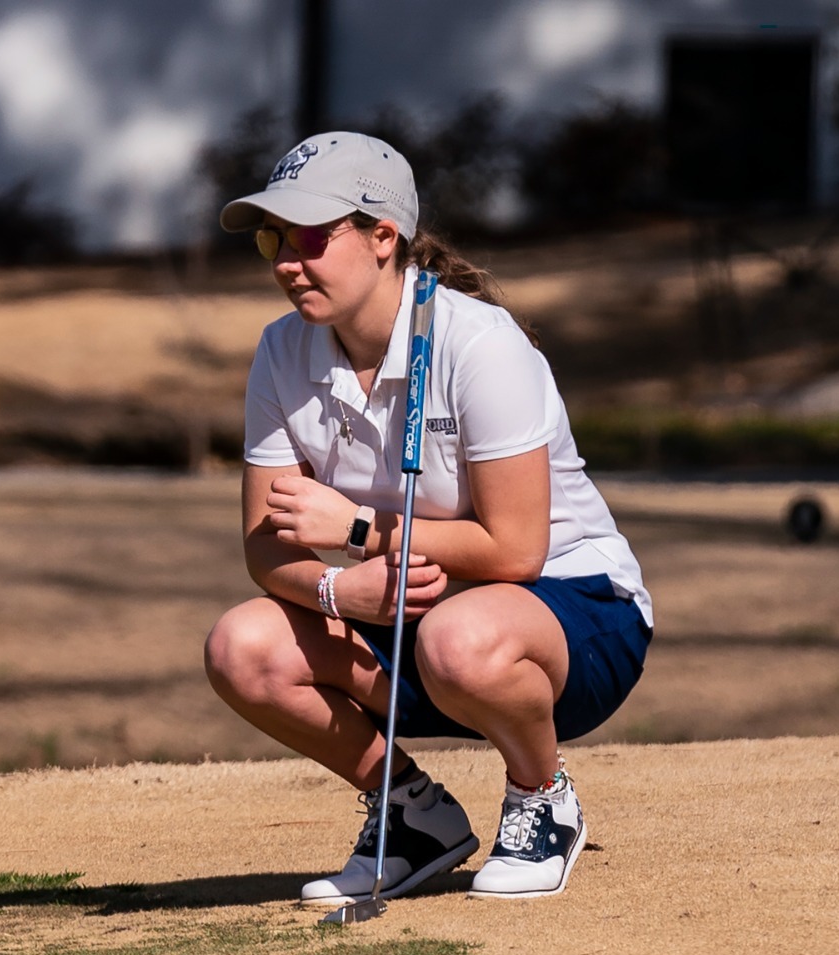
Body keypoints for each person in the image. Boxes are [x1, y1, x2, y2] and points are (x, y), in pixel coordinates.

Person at [202, 132, 651, 903]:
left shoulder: (479, 344)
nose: (285, 262)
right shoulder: (280, 352)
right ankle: (412, 815)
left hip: (576, 610)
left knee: (457, 638)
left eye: (309, 238)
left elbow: (517, 548)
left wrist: (355, 531)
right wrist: (340, 591)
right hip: (415, 610)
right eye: (273, 240)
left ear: (384, 237)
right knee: (241, 647)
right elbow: (266, 551)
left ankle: (542, 797)